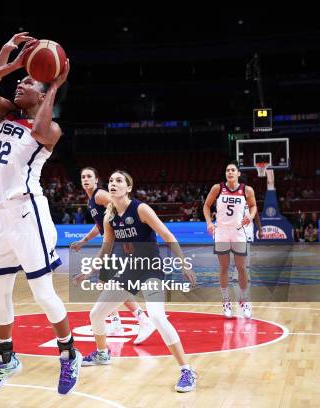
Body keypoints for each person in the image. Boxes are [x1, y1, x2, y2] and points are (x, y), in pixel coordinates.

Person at [0, 32, 81, 396]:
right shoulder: (4, 112)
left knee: (42, 292)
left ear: (42, 93)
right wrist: (13, 58)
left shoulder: (50, 128)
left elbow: (41, 129)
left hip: (27, 212)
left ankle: (69, 354)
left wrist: (54, 86)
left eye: (28, 82)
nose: (20, 84)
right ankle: (6, 358)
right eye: (20, 80)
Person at [74, 170, 198, 392]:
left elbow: (168, 236)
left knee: (158, 316)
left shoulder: (140, 209)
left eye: (119, 181)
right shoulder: (109, 216)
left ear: (128, 188)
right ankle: (103, 354)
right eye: (111, 181)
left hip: (150, 269)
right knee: (96, 314)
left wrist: (184, 264)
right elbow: (106, 248)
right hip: (129, 272)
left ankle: (187, 370)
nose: (113, 184)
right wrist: (89, 272)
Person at [70, 167, 156, 347]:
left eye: (89, 177)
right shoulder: (91, 201)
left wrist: (125, 234)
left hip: (118, 243)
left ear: (96, 180)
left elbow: (118, 206)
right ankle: (117, 321)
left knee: (114, 285)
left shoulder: (100, 194)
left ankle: (143, 319)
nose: (86, 179)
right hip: (112, 244)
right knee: (107, 284)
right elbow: (101, 224)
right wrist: (84, 240)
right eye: (83, 176)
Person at [203, 162, 257, 319]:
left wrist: (251, 216)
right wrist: (208, 223)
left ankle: (243, 300)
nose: (230, 172)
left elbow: (253, 206)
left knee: (241, 268)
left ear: (238, 173)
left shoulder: (247, 190)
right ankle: (226, 301)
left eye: (233, 170)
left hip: (238, 232)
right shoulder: (217, 188)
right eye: (227, 170)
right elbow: (206, 206)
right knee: (224, 267)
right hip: (221, 233)